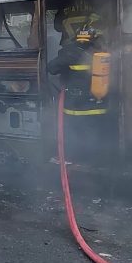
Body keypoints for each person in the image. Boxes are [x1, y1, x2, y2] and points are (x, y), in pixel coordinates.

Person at [47, 26, 109, 163]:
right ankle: (96, 160)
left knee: (71, 131)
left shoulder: (70, 52)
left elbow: (51, 68)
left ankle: (68, 158)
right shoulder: (102, 53)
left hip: (76, 106)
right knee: (95, 134)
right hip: (99, 103)